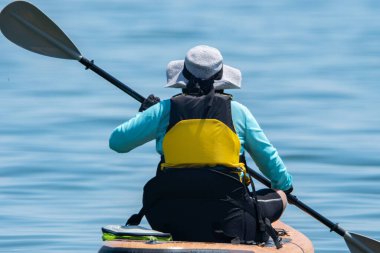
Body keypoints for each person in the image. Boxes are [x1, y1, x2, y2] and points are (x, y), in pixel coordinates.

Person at [109, 45, 293, 247]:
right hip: (230, 222)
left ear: (183, 79)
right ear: (222, 79)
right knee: (281, 195)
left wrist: (145, 114)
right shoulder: (238, 112)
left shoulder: (163, 110)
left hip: (169, 219)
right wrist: (285, 187)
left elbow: (117, 143)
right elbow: (272, 164)